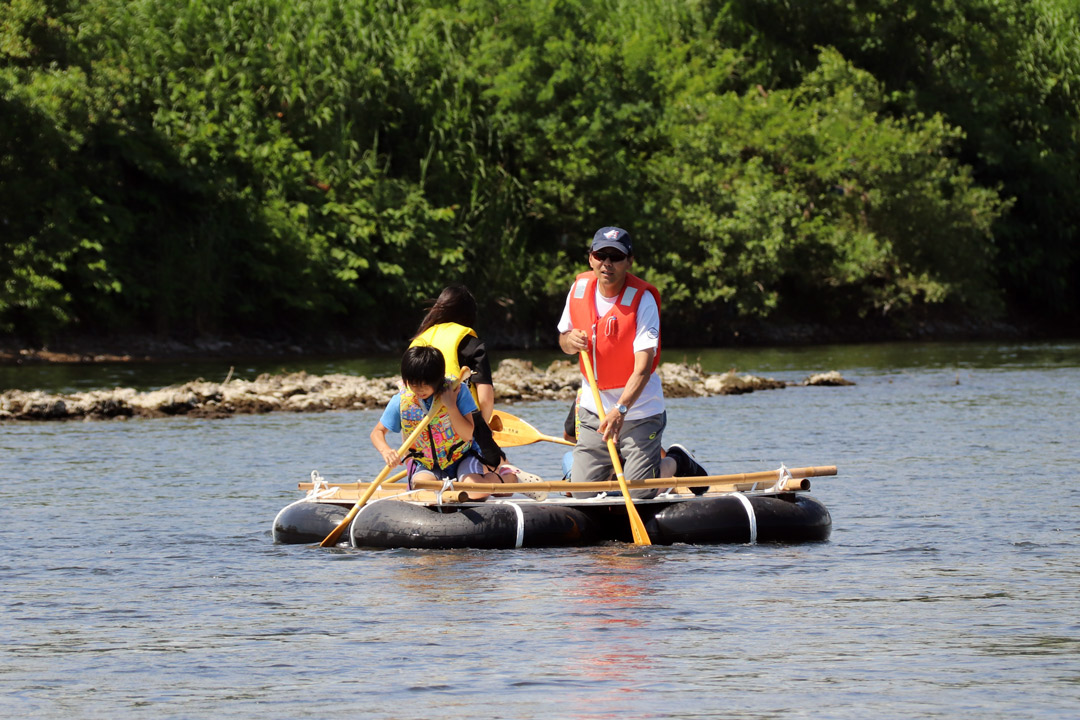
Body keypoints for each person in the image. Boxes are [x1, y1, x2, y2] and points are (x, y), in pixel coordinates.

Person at [557, 226, 666, 499]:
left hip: (639, 411)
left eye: (616, 257)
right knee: (582, 496)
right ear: (591, 258)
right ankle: (607, 470)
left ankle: (677, 460)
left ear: (629, 261)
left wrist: (621, 409)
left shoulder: (643, 300)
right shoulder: (579, 288)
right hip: (594, 410)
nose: (607, 263)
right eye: (601, 255)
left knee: (640, 493)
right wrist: (571, 341)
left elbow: (642, 369)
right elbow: (563, 339)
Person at [370, 345, 499, 499]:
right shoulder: (401, 400)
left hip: (462, 457)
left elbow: (467, 435)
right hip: (425, 464)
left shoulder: (457, 391)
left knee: (476, 492)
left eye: (425, 384)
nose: (419, 390)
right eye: (414, 383)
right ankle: (446, 491)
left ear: (438, 378)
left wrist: (451, 406)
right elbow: (377, 432)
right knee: (423, 494)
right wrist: (386, 451)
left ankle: (506, 476)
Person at [410, 284, 504, 470]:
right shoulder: (471, 343)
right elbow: (485, 399)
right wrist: (483, 433)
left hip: (423, 426)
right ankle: (506, 473)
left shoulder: (419, 341)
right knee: (498, 464)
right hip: (462, 420)